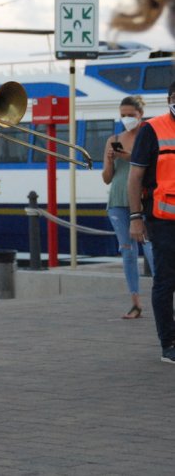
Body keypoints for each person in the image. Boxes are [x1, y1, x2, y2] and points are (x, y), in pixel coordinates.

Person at [128, 80, 175, 363]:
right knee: (166, 281)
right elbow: (135, 177)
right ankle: (168, 343)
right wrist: (136, 218)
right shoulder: (153, 129)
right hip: (163, 219)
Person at [103, 95, 155, 319]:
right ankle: (135, 302)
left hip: (143, 200)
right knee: (127, 252)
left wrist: (129, 156)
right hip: (117, 200)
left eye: (130, 115)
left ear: (140, 115)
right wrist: (111, 159)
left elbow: (153, 165)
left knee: (152, 250)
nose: (126, 119)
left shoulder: (148, 135)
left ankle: (164, 297)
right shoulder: (114, 138)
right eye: (122, 115)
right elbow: (107, 178)